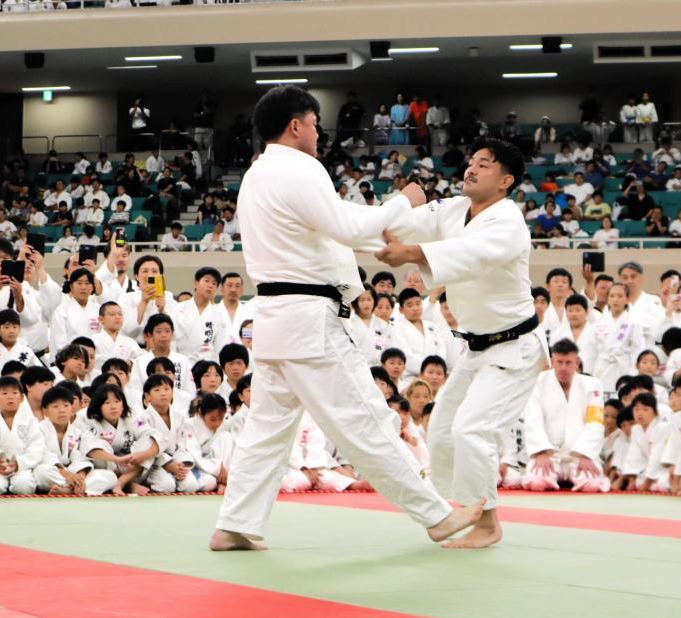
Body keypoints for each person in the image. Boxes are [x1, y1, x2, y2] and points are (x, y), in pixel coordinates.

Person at [212, 86, 483, 551]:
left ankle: (235, 523)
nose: (318, 133)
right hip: (309, 321)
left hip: (278, 319)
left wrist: (396, 239)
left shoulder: (258, 175)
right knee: (366, 419)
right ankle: (436, 515)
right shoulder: (298, 168)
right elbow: (348, 227)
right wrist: (405, 200)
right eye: (315, 123)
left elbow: (337, 229)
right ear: (296, 125)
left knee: (267, 430)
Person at [375, 136, 545, 548]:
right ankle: (462, 506)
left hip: (514, 348)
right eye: (471, 161)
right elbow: (401, 226)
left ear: (506, 180)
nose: (471, 168)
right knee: (444, 429)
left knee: (473, 430)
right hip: (477, 347)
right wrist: (398, 205)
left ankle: (488, 522)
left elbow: (470, 256)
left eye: (484, 164)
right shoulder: (453, 209)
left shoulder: (508, 222)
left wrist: (414, 254)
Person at [522, 339, 609, 492]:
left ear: (577, 362)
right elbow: (533, 420)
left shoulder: (592, 385)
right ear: (552, 362)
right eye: (559, 362)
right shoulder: (537, 383)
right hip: (549, 456)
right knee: (537, 483)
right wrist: (541, 452)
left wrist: (586, 454)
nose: (563, 367)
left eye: (568, 362)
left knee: (592, 486)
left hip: (579, 457)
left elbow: (595, 423)